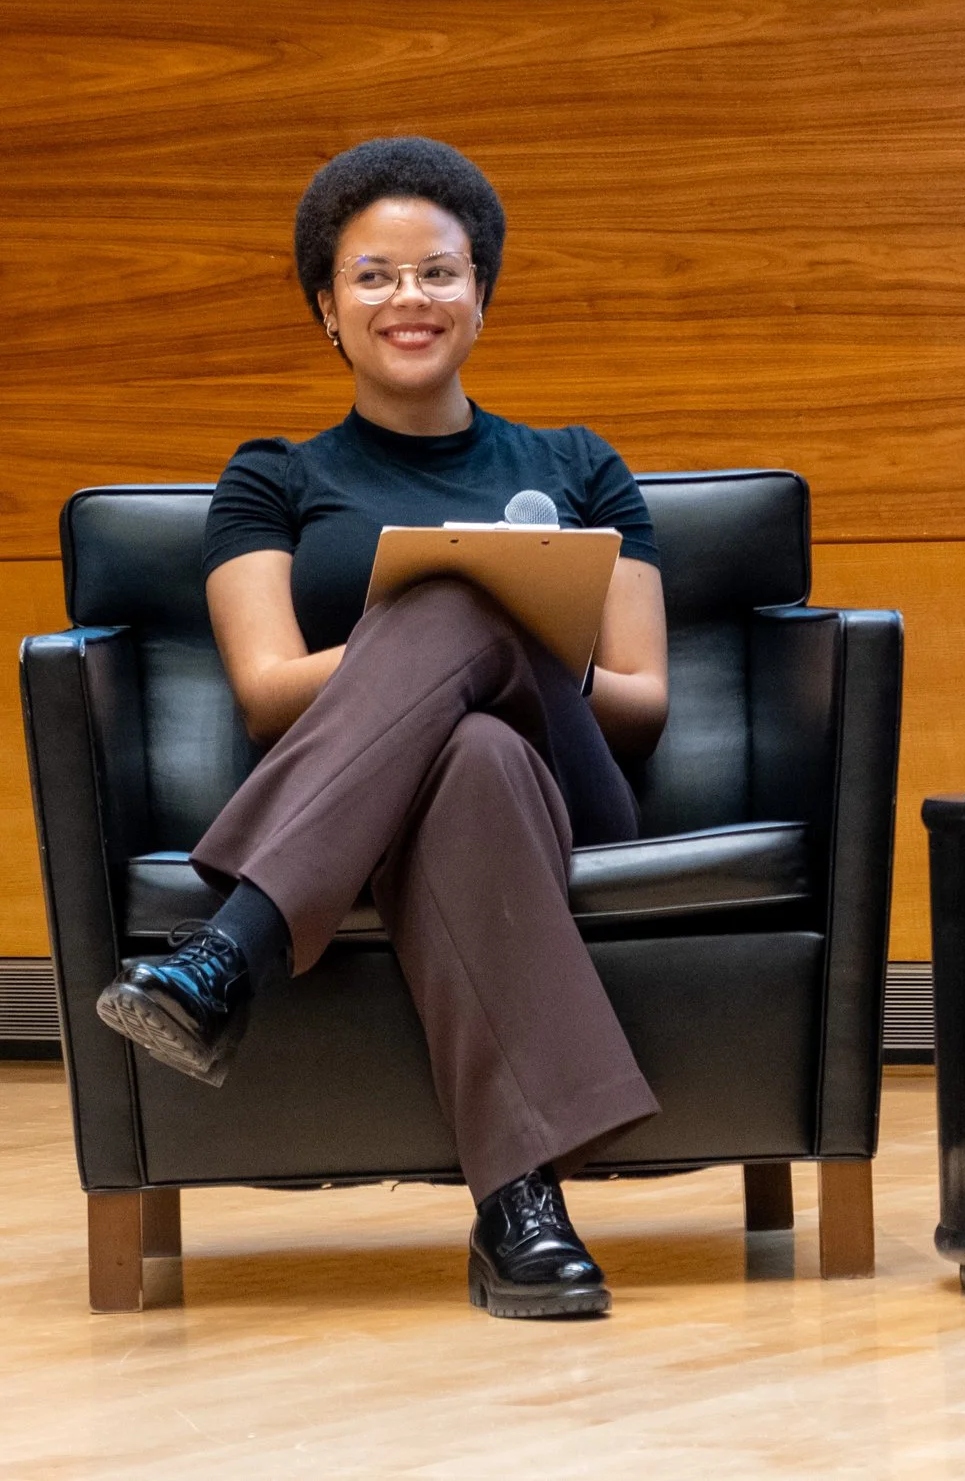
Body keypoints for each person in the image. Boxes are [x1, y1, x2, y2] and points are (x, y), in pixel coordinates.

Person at [92, 137, 671, 1321]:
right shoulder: (272, 479)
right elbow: (265, 684)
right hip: (400, 807)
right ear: (327, 306)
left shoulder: (579, 466)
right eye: (373, 276)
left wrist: (500, 643)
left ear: (481, 293)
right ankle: (521, 1207)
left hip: (580, 786)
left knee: (461, 613)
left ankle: (234, 946)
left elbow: (644, 696)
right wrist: (433, 670)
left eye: (438, 272)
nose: (409, 298)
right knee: (468, 754)